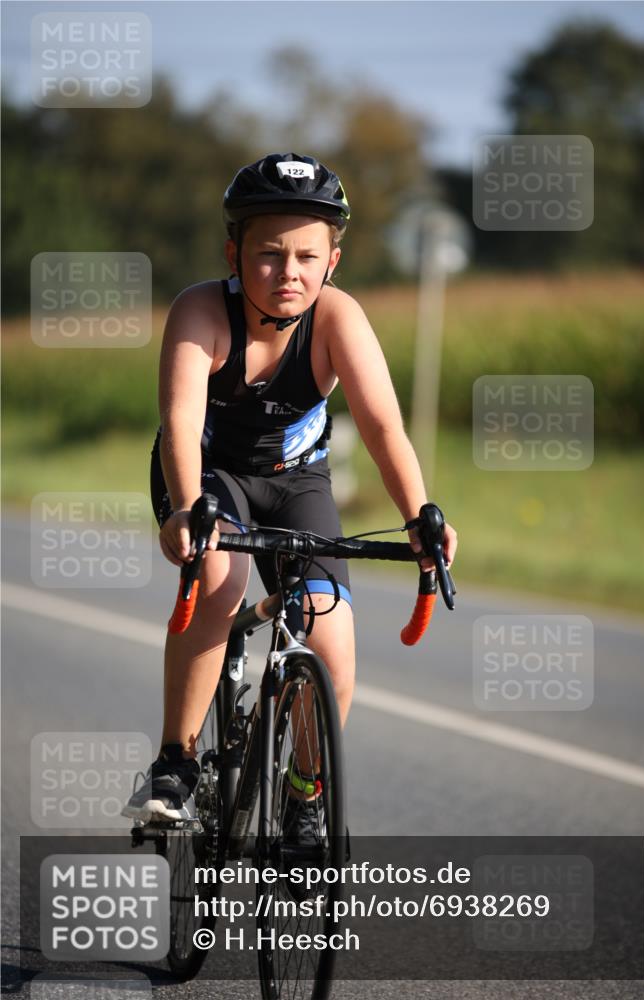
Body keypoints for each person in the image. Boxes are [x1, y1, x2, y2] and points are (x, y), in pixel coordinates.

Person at [123, 152, 457, 832]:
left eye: (308, 255)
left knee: (331, 641)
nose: (288, 273)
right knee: (219, 581)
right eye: (269, 255)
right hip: (208, 475)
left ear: (332, 259)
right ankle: (176, 762)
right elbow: (181, 422)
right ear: (234, 252)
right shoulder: (200, 310)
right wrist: (188, 509)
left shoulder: (337, 317)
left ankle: (305, 793)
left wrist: (417, 516)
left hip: (297, 482)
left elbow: (383, 426)